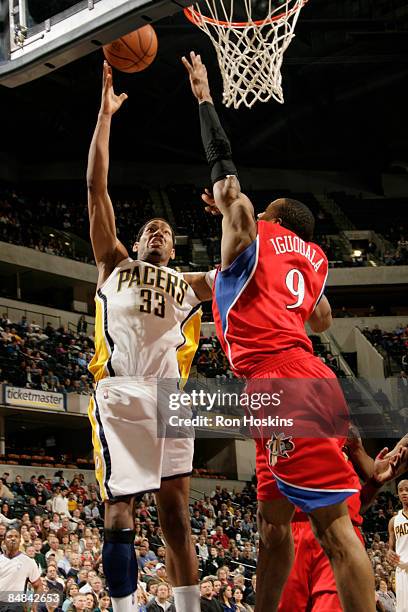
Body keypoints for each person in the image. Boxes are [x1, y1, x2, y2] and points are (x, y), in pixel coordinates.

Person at [183, 51, 376, 612]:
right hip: (301, 380)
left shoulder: (252, 230)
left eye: (259, 210)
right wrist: (236, 228)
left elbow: (225, 176)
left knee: (335, 528)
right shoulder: (311, 257)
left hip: (280, 382)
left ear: (270, 217)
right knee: (273, 528)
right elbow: (321, 318)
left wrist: (203, 98)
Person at [86, 61, 214, 612]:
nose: (157, 232)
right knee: (121, 511)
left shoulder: (191, 284)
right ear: (137, 244)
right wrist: (106, 115)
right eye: (148, 230)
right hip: (122, 391)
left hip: (172, 401)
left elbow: (241, 266)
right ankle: (123, 607)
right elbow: (96, 187)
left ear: (173, 245)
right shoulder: (114, 263)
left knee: (177, 515)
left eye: (165, 230)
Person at [278, 428, 407, 611]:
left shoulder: (347, 434)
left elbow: (356, 504)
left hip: (340, 531)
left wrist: (375, 483)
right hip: (293, 531)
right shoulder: (282, 424)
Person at [0, 528, 43, 610]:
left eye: (16, 536)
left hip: (16, 605)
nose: (13, 538)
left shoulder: (29, 562)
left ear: (20, 541)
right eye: (9, 536)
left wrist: (34, 605)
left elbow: (39, 587)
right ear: (4, 541)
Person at [388, 480, 408, 612]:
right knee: (403, 609)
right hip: (402, 570)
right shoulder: (394, 520)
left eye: (407, 489)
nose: (404, 493)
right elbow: (391, 548)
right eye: (400, 490)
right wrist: (389, 553)